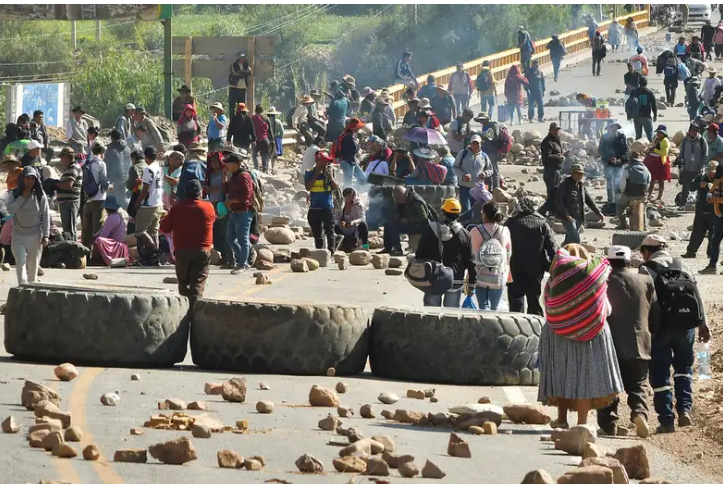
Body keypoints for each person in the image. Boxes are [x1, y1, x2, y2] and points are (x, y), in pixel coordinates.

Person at [539, 244, 623, 429]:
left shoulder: (554, 278)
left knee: (562, 374)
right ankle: (582, 424)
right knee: (585, 377)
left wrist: (567, 317)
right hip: (592, 334)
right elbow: (607, 308)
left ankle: (561, 420)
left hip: (558, 334)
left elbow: (546, 304)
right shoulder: (594, 278)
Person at [639, 235, 711, 432]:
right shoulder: (683, 265)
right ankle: (685, 410)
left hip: (659, 330)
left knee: (661, 374)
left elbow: (644, 303)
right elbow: (696, 294)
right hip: (687, 327)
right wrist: (703, 324)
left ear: (647, 251)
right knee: (683, 370)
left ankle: (666, 420)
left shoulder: (646, 269)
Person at [598, 245, 656, 438]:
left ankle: (608, 425)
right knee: (639, 382)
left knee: (609, 385)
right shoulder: (645, 280)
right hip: (640, 341)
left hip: (610, 343)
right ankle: (640, 413)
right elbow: (655, 312)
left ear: (608, 261)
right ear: (629, 261)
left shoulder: (603, 281)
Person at [160, 179, 215, 308]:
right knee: (198, 283)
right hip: (203, 250)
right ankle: (194, 311)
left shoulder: (177, 208)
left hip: (182, 251)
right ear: (200, 192)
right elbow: (213, 220)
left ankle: (185, 312)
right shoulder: (208, 207)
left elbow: (164, 228)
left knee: (183, 284)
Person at [416, 198, 476, 308]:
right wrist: (472, 283)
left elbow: (420, 254)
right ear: (459, 214)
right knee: (451, 315)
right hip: (455, 279)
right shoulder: (465, 234)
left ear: (443, 212)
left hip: (433, 279)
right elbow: (470, 261)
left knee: (431, 314)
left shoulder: (431, 230)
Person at [505, 196, 556, 315]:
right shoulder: (543, 224)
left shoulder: (511, 223)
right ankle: (536, 329)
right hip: (536, 268)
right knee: (534, 301)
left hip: (515, 268)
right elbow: (552, 247)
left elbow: (504, 245)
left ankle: (516, 330)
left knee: (516, 302)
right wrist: (555, 266)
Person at [5, 166, 50, 284]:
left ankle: (31, 292)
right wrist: (22, 197)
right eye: (27, 178)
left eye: (32, 178)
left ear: (36, 180)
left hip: (35, 236)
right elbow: (10, 211)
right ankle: (22, 289)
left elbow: (45, 215)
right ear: (22, 179)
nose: (29, 181)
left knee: (33, 265)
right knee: (20, 262)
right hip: (18, 235)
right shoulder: (14, 193)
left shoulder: (40, 195)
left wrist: (46, 235)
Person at [470, 201, 511, 310]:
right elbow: (508, 255)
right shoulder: (504, 230)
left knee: (483, 306)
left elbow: (471, 254)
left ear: (484, 214)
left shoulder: (475, 231)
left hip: (480, 274)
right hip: (498, 275)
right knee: (495, 308)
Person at [555, 164, 603, 245]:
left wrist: (598, 212)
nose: (579, 175)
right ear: (572, 173)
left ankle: (563, 251)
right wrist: (566, 214)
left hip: (579, 216)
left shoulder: (581, 186)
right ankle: (576, 254)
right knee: (575, 237)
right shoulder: (565, 185)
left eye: (581, 174)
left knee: (570, 238)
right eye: (577, 173)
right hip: (567, 216)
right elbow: (558, 200)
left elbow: (589, 200)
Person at [224, 152, 254, 274]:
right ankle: (242, 259)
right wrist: (224, 177)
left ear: (235, 164)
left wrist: (231, 201)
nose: (226, 165)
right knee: (230, 238)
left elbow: (246, 195)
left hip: (243, 212)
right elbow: (226, 189)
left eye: (228, 163)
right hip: (234, 211)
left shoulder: (243, 176)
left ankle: (243, 264)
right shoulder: (233, 176)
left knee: (243, 239)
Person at [381, 185, 431, 256]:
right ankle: (388, 247)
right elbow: (401, 211)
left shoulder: (416, 201)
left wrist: (408, 220)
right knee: (388, 224)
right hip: (411, 223)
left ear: (405, 195)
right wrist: (397, 216)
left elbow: (423, 217)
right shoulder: (404, 200)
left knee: (393, 227)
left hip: (420, 226)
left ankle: (397, 249)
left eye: (400, 199)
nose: (399, 201)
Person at [683, 160, 719, 259]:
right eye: (710, 172)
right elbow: (691, 187)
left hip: (714, 211)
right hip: (701, 210)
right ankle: (691, 252)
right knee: (697, 233)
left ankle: (711, 254)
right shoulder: (701, 177)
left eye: (713, 172)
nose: (711, 174)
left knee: (713, 234)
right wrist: (699, 184)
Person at [305, 151, 339, 253]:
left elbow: (336, 188)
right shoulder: (310, 172)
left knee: (330, 231)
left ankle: (332, 252)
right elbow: (308, 187)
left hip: (327, 207)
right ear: (318, 162)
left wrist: (331, 178)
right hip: (314, 208)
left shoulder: (329, 171)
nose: (326, 164)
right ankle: (320, 252)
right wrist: (316, 174)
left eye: (327, 162)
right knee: (317, 233)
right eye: (324, 162)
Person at [133, 146, 163, 252]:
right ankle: (156, 258)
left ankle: (155, 251)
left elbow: (146, 188)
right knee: (153, 232)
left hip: (149, 204)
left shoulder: (148, 169)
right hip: (158, 203)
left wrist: (138, 201)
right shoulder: (158, 167)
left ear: (146, 157)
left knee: (140, 231)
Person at [81, 142, 110, 249]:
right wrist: (109, 186)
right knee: (97, 229)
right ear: (102, 152)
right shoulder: (101, 164)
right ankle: (95, 254)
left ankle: (85, 254)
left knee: (86, 230)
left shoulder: (87, 162)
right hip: (99, 200)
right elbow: (103, 183)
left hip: (88, 199)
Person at [453, 135, 493, 212]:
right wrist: (462, 175)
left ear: (480, 144)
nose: (475, 146)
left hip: (478, 190)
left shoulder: (484, 156)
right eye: (473, 143)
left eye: (477, 144)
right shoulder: (463, 153)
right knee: (465, 210)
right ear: (470, 143)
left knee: (476, 210)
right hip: (464, 187)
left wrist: (485, 173)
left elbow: (490, 169)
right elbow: (455, 167)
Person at [616, 144, 652, 229]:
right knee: (643, 208)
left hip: (629, 195)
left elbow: (623, 185)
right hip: (642, 195)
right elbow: (648, 183)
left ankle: (623, 223)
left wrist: (623, 192)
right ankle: (645, 225)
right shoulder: (646, 170)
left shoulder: (627, 169)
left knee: (619, 205)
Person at [52, 147, 82, 240]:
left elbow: (69, 185)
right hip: (66, 203)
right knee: (67, 230)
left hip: (70, 202)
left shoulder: (73, 168)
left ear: (67, 157)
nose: (61, 160)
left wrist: (55, 184)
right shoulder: (69, 168)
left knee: (70, 229)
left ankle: (73, 250)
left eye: (62, 157)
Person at [539, 122, 567, 217]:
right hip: (551, 171)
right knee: (553, 194)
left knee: (555, 193)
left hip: (557, 170)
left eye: (558, 130)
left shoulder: (556, 140)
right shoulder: (547, 142)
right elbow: (547, 157)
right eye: (555, 130)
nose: (557, 131)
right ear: (550, 130)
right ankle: (543, 211)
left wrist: (563, 155)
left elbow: (558, 154)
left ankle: (552, 212)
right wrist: (559, 157)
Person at [676, 125, 708, 207]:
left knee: (699, 188)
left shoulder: (701, 140)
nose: (695, 132)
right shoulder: (685, 140)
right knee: (685, 188)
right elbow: (682, 152)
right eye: (693, 130)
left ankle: (699, 204)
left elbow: (705, 155)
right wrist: (679, 161)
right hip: (687, 168)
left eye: (696, 131)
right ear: (689, 131)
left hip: (697, 169)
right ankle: (683, 204)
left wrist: (701, 166)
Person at [91, 196, 129, 266]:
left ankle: (96, 261)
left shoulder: (111, 218)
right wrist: (95, 235)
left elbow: (103, 235)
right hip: (121, 245)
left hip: (117, 246)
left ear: (106, 209)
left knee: (99, 240)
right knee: (97, 238)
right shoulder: (117, 216)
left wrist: (94, 238)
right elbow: (103, 230)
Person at [599, 123, 630, 205]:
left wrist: (620, 159)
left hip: (619, 163)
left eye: (614, 127)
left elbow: (626, 150)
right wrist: (609, 157)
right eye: (611, 127)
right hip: (608, 163)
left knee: (618, 182)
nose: (613, 129)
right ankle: (610, 201)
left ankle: (618, 201)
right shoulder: (604, 137)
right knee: (609, 182)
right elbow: (601, 150)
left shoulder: (622, 136)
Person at [334, 117, 366, 187]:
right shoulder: (349, 137)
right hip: (348, 162)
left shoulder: (345, 134)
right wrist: (358, 144)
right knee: (348, 184)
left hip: (350, 161)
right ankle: (345, 196)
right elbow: (353, 149)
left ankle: (362, 191)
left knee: (363, 178)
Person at [643, 125, 672, 201]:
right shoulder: (657, 139)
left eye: (660, 133)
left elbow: (664, 153)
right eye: (658, 132)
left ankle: (659, 197)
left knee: (660, 180)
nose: (658, 134)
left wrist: (654, 150)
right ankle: (649, 195)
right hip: (653, 162)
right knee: (651, 179)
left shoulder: (665, 141)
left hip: (660, 162)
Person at [335, 187, 368, 252]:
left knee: (364, 226)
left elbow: (363, 218)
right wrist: (339, 222)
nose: (351, 198)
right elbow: (334, 218)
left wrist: (354, 222)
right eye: (349, 196)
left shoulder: (358, 205)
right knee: (333, 227)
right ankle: (337, 245)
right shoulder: (340, 205)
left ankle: (365, 246)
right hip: (343, 229)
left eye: (353, 196)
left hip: (354, 229)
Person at [104, 129, 131, 205]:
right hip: (125, 178)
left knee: (111, 202)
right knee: (122, 200)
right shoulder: (127, 148)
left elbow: (106, 165)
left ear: (112, 138)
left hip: (114, 179)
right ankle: (128, 214)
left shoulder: (111, 149)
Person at [629, 77, 657, 141]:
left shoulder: (634, 91)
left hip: (637, 116)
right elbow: (654, 105)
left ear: (639, 83)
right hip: (646, 116)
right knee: (650, 136)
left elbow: (630, 104)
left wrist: (629, 115)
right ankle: (650, 149)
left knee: (638, 136)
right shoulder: (650, 92)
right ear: (646, 83)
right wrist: (655, 115)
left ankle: (637, 149)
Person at [250, 105, 272, 173]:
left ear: (255, 110)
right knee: (265, 154)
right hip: (265, 139)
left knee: (255, 154)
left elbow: (250, 129)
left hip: (255, 140)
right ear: (262, 110)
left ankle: (256, 169)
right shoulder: (266, 118)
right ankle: (265, 170)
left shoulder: (252, 118)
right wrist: (272, 140)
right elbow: (270, 131)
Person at [268, 107, 284, 173]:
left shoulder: (266, 121)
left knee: (268, 154)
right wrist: (280, 139)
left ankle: (267, 168)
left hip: (269, 139)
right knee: (274, 155)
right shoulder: (278, 122)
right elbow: (282, 131)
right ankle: (272, 168)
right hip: (276, 139)